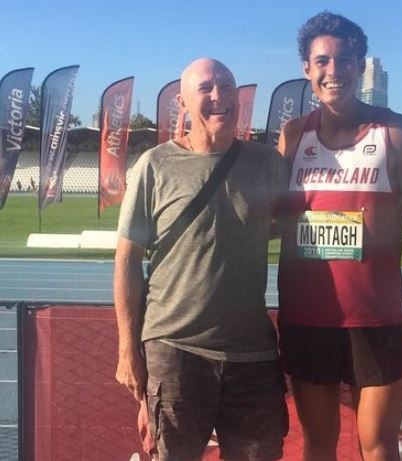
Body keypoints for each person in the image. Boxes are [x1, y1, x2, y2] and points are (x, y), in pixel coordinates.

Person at [276, 12, 402, 461]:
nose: (335, 71)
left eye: (345, 60)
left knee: (377, 446)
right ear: (306, 69)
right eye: (323, 61)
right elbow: (271, 221)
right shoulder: (293, 136)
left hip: (375, 319)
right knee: (317, 445)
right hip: (305, 319)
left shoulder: (395, 131)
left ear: (360, 65)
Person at [114, 57, 289, 461]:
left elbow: (299, 227)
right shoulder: (154, 166)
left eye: (227, 86)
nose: (219, 97)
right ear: (182, 102)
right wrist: (127, 350)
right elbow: (127, 260)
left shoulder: (268, 164)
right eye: (206, 88)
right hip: (175, 351)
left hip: (252, 354)